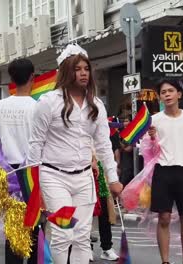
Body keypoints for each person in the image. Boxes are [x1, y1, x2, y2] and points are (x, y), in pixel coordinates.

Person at [27, 44, 123, 263]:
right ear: (66, 72)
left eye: (86, 69)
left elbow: (103, 145)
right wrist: (34, 187)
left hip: (84, 178)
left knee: (81, 236)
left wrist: (114, 179)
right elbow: (35, 145)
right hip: (53, 177)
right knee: (62, 235)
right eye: (77, 69)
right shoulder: (48, 102)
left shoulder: (96, 105)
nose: (83, 73)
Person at [147, 80, 183, 264]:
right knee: (163, 218)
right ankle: (165, 261)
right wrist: (152, 137)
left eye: (171, 91)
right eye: (163, 92)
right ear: (160, 97)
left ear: (179, 94)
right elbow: (148, 152)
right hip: (162, 172)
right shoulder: (154, 120)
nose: (167, 94)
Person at [0, 58, 39, 264]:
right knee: (33, 230)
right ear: (32, 77)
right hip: (31, 174)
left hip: (8, 173)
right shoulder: (37, 107)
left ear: (11, 79)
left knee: (12, 233)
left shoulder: (1, 106)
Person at [119, 116, 134, 186]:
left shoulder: (133, 134)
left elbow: (129, 149)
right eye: (124, 121)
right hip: (124, 161)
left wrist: (118, 142)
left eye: (127, 121)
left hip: (129, 162)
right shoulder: (124, 133)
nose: (125, 123)